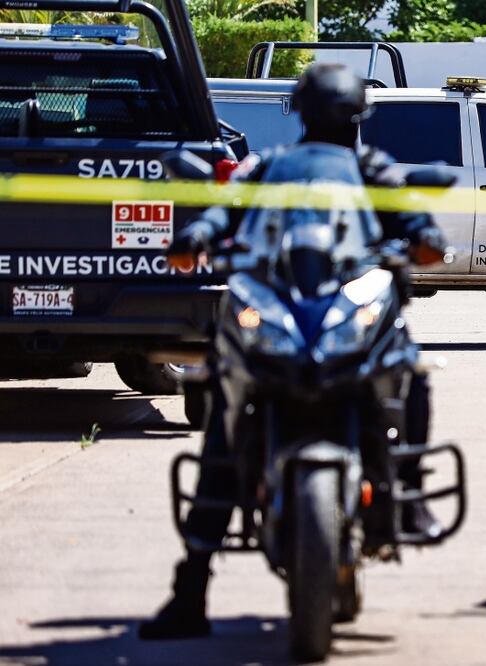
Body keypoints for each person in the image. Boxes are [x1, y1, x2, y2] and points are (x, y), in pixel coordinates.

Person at [139, 63, 448, 640]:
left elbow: (418, 227)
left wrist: (425, 240)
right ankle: (191, 588)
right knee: (227, 404)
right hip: (279, 302)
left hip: (346, 299)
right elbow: (220, 212)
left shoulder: (363, 169)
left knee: (407, 367)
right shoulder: (271, 167)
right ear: (359, 114)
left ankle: (406, 490)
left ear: (299, 110)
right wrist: (197, 237)